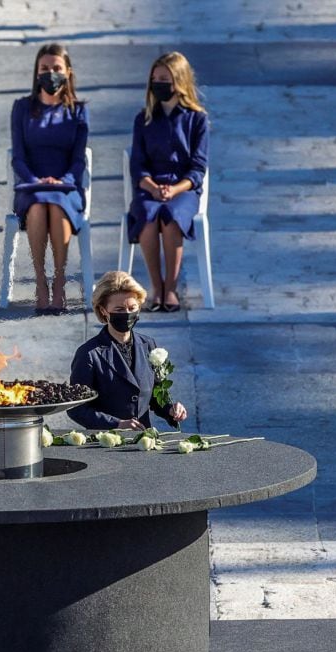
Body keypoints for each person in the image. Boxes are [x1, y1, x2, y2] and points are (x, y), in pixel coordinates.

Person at [10, 42, 88, 315]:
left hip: (65, 187)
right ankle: (41, 283)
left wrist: (62, 179)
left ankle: (59, 282)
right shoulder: (22, 108)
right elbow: (18, 156)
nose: (50, 73)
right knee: (38, 205)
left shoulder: (77, 110)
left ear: (67, 72)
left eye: (56, 68)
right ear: (36, 72)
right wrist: (36, 179)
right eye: (45, 68)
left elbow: (79, 159)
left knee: (55, 205)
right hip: (31, 185)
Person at [127, 52, 208, 314]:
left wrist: (174, 189)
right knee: (149, 217)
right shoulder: (144, 119)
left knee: (171, 217)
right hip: (150, 188)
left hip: (183, 189)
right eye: (154, 79)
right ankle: (156, 287)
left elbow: (198, 167)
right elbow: (138, 164)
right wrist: (152, 187)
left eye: (164, 79)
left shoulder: (197, 120)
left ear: (179, 80)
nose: (158, 84)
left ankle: (171, 288)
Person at [67, 270, 187, 431]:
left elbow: (155, 395)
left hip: (144, 440)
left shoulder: (148, 345)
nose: (127, 314)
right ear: (103, 310)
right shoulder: (89, 354)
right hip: (104, 444)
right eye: (119, 310)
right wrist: (116, 424)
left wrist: (170, 409)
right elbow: (76, 408)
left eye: (132, 308)